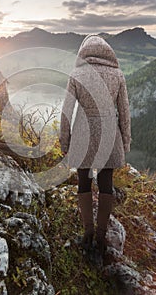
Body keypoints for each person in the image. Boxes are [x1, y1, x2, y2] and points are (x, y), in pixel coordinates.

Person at [60, 34, 131, 257]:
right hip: (109, 133)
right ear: (107, 52)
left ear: (84, 51)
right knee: (106, 182)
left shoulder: (77, 73)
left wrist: (65, 141)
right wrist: (126, 140)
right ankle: (101, 237)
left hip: (83, 132)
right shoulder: (117, 74)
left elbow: (66, 111)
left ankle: (87, 233)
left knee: (83, 180)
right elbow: (125, 112)